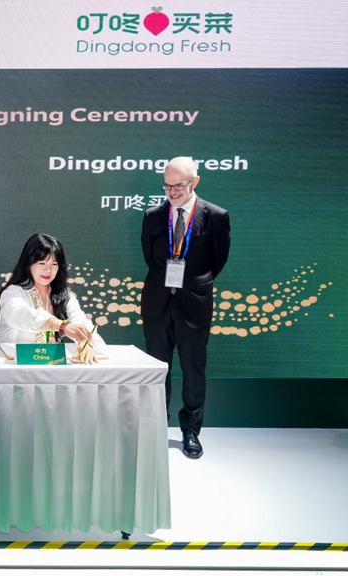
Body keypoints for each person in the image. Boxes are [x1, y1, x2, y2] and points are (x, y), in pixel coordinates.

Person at [141, 156, 231, 459]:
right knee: (157, 370)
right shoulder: (152, 216)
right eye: (167, 186)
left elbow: (217, 260)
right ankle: (155, 429)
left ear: (195, 181)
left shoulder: (216, 216)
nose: (172, 191)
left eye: (178, 185)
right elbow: (150, 258)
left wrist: (192, 283)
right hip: (157, 304)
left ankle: (191, 431)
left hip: (194, 305)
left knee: (193, 369)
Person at [0, 233, 105, 363]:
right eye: (42, 263)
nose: (48, 270)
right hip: (14, 365)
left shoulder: (65, 296)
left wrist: (85, 343)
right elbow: (20, 314)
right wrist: (62, 326)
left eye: (54, 264)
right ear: (28, 263)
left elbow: (80, 322)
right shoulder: (12, 292)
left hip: (51, 365)